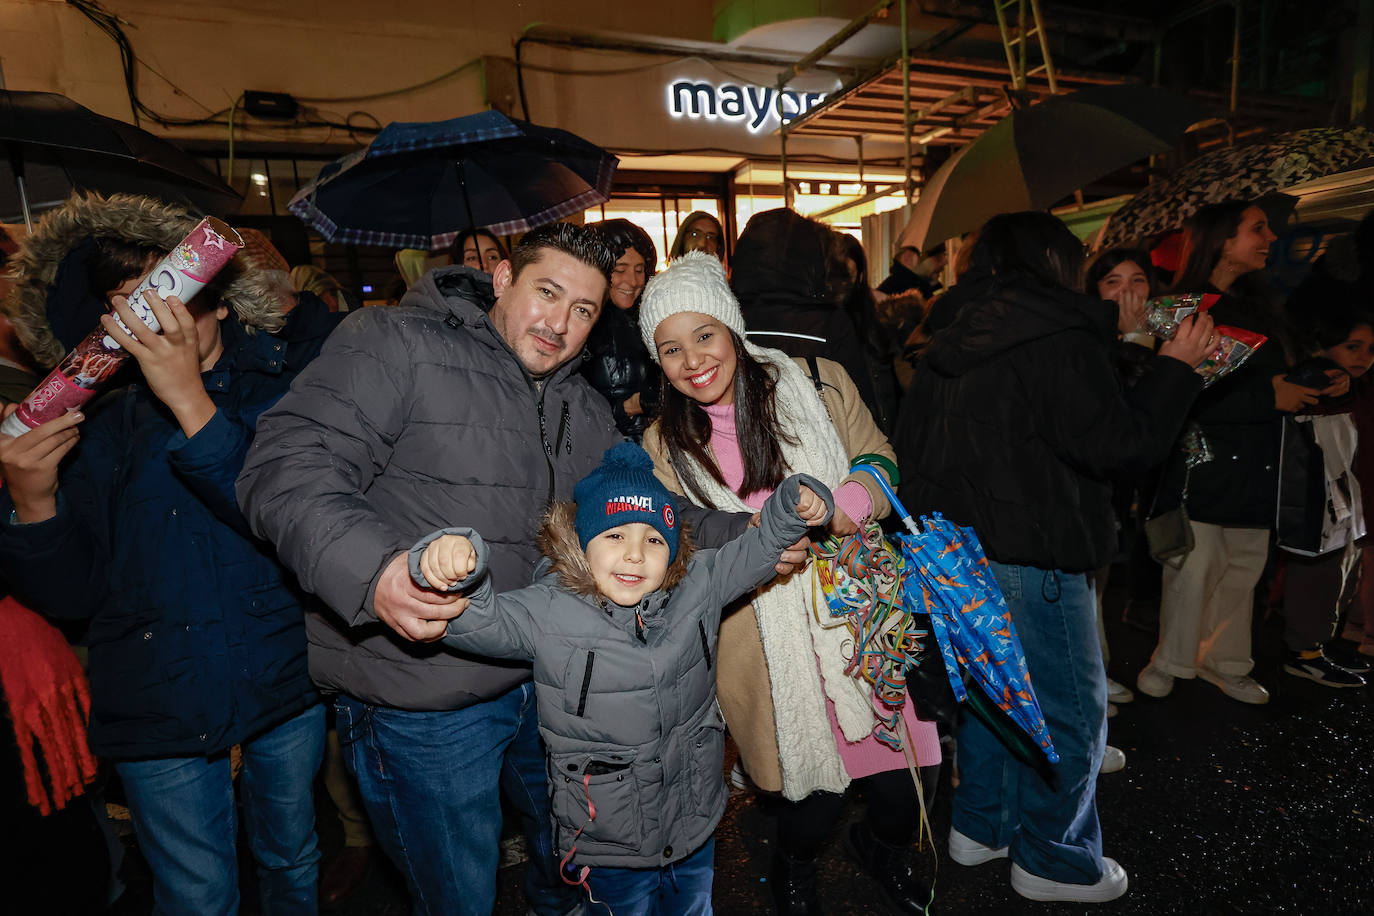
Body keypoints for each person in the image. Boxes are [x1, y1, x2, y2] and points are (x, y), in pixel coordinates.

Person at [236, 224, 768, 916]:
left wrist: (751, 531)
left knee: (567, 866)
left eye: (584, 311)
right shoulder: (394, 343)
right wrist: (375, 573)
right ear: (502, 280)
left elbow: (644, 515)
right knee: (458, 893)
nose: (562, 323)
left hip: (547, 683)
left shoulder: (580, 405)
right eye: (548, 292)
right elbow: (284, 465)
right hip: (424, 693)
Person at [0, 194, 329, 915]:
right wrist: (33, 503)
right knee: (197, 894)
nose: (149, 323)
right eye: (124, 306)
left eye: (169, 297)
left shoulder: (282, 387)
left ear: (216, 301)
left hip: (279, 678)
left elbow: (287, 520)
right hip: (154, 696)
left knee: (291, 861)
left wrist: (192, 404)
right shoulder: (96, 420)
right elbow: (72, 598)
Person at [894, 212, 1215, 903]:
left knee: (990, 699)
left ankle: (981, 827)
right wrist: (1174, 369)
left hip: (954, 554)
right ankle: (1055, 859)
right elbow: (1119, 443)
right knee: (1068, 709)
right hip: (1031, 553)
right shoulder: (1057, 336)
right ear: (1053, 262)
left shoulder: (951, 331)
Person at [640, 251, 942, 916]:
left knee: (903, 788)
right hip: (764, 643)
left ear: (732, 326)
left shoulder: (818, 379)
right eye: (670, 349)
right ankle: (793, 866)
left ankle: (882, 847)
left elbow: (879, 459)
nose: (692, 361)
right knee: (811, 798)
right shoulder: (663, 442)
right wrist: (746, 546)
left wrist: (848, 506)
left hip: (861, 621)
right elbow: (671, 544)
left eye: (704, 335)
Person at [413, 442, 830, 914]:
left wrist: (794, 504)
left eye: (654, 539)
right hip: (609, 838)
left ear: (672, 551)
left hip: (692, 819)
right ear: (581, 542)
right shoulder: (548, 611)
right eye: (615, 536)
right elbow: (474, 621)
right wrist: (448, 565)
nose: (635, 555)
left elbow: (758, 548)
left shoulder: (699, 582)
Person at [1138, 201, 1347, 705]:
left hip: (1261, 462)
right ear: (1222, 240)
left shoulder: (1265, 305)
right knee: (1194, 568)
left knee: (1244, 571)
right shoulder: (1182, 307)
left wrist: (1317, 375)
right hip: (1203, 465)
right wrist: (1267, 398)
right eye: (1258, 229)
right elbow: (1172, 392)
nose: (1271, 237)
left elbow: (1267, 374)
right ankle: (1170, 660)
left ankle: (1225, 661)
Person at [1274, 287, 1373, 687]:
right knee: (1317, 573)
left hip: (1349, 498)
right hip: (1320, 500)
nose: (1363, 357)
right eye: (1353, 346)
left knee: (1342, 572)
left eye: (1369, 348)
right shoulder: (1313, 384)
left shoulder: (1357, 385)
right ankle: (1305, 651)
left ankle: (1316, 645)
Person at [731, 209, 893, 433]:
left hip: (743, 445)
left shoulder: (726, 319)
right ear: (812, 258)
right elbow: (858, 404)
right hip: (819, 448)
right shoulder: (829, 323)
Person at [581, 219, 658, 440]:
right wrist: (629, 407)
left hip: (653, 448)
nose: (632, 281)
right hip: (599, 451)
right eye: (620, 269)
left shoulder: (650, 316)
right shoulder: (578, 323)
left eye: (639, 270)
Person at [877, 242, 945, 299]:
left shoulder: (922, 287)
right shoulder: (900, 294)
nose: (945, 262)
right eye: (937, 258)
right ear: (909, 258)